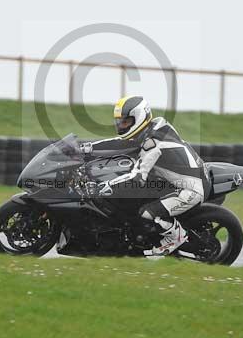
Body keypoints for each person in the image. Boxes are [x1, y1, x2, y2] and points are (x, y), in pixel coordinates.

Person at [81, 95, 209, 256]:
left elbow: (137, 177)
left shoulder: (152, 144)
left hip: (190, 189)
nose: (121, 125)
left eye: (126, 122)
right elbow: (121, 143)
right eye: (119, 121)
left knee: (147, 213)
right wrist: (87, 148)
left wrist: (104, 186)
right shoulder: (153, 127)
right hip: (174, 179)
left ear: (139, 118)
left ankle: (176, 236)